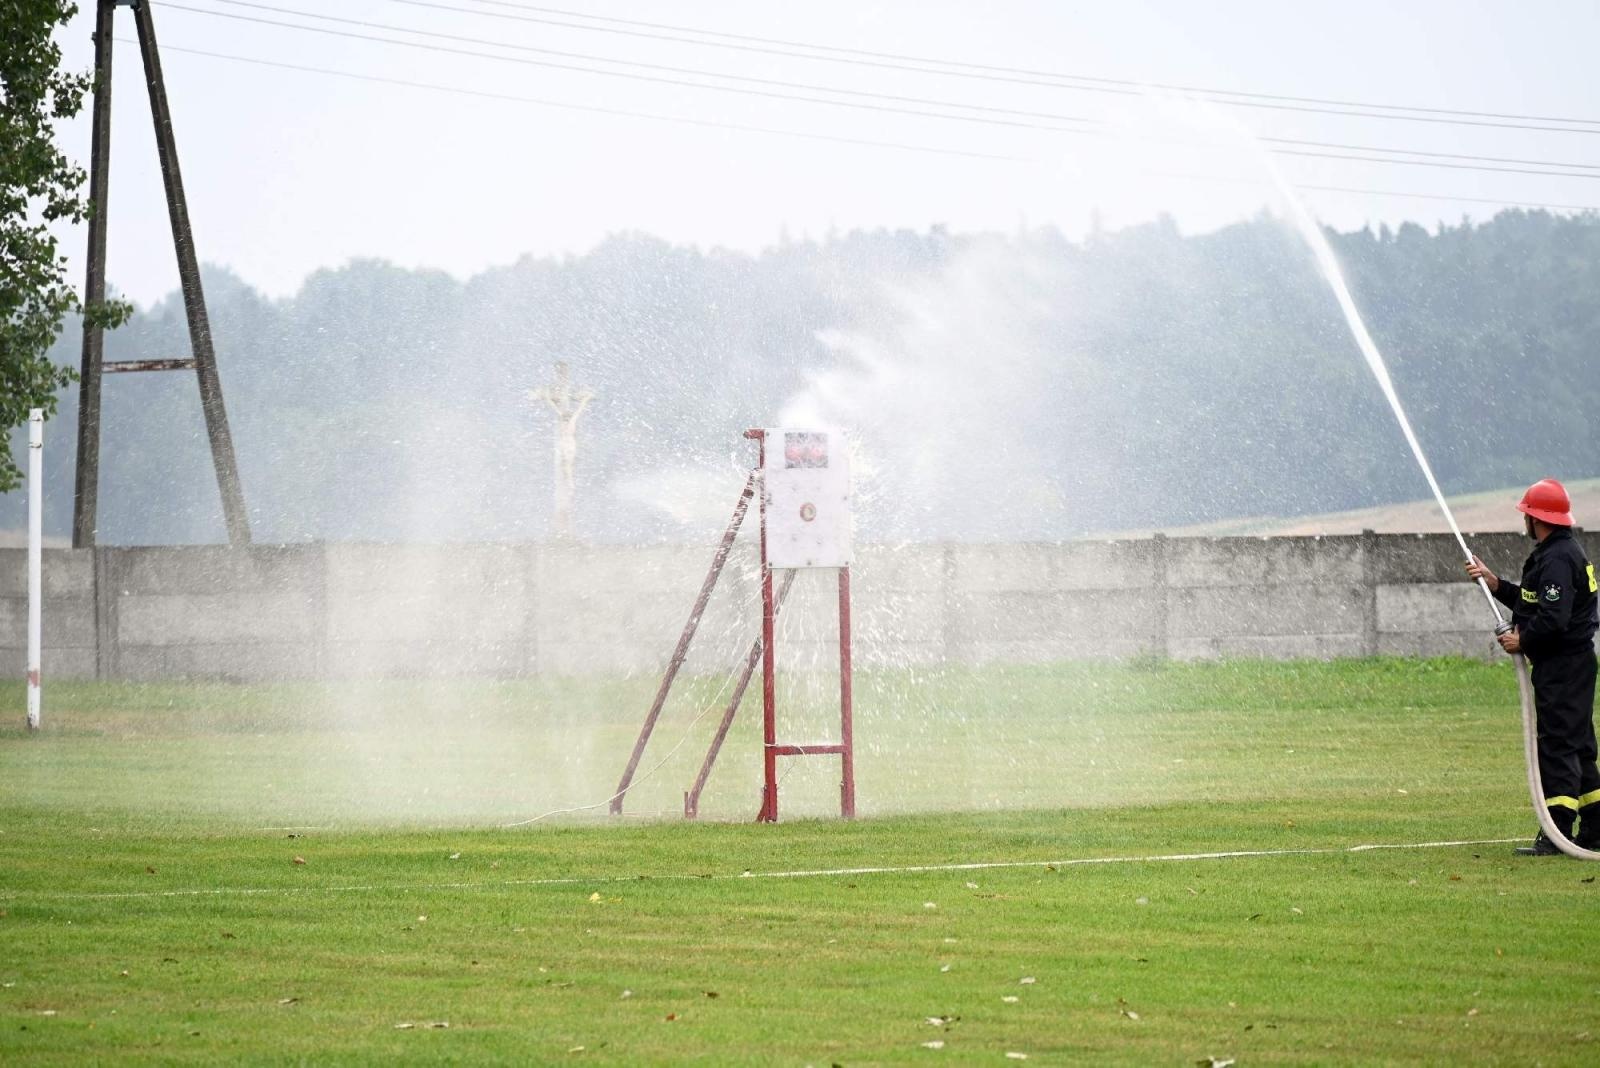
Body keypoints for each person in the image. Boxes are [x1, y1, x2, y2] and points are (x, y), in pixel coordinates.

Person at [1465, 478, 1600, 855]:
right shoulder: (1556, 551)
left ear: (1535, 518)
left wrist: (1523, 640)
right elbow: (1533, 602)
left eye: (1526, 514)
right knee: (1578, 745)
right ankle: (1595, 826)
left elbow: (1553, 619)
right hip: (1569, 666)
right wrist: (1496, 585)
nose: (1524, 520)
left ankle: (1557, 832)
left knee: (1558, 746)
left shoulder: (1557, 558)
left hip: (1563, 668)